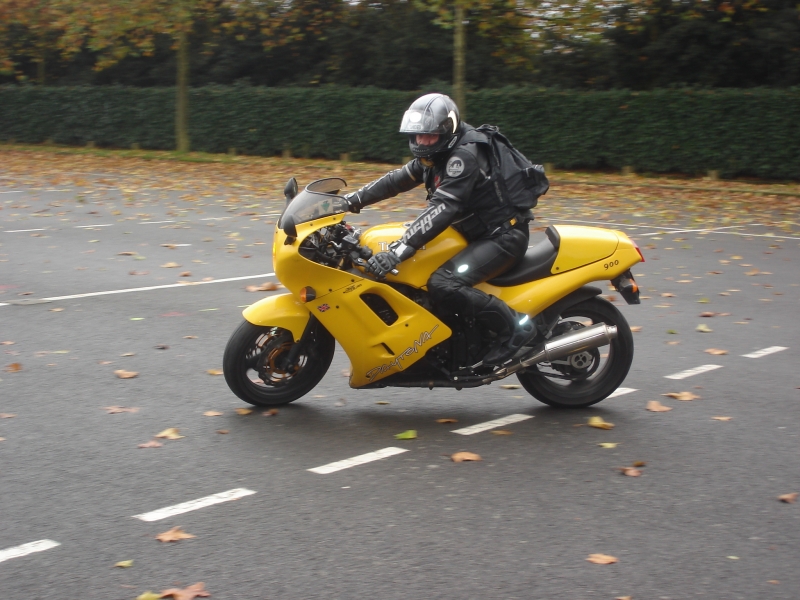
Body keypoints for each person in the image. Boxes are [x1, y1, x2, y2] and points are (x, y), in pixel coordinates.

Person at [344, 93, 541, 366]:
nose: (422, 142)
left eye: (430, 136)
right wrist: (349, 201)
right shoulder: (436, 154)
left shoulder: (463, 157)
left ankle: (517, 329)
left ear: (447, 131)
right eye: (418, 136)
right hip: (474, 234)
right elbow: (395, 181)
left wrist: (398, 251)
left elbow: (444, 207)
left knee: (443, 283)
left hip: (502, 237)